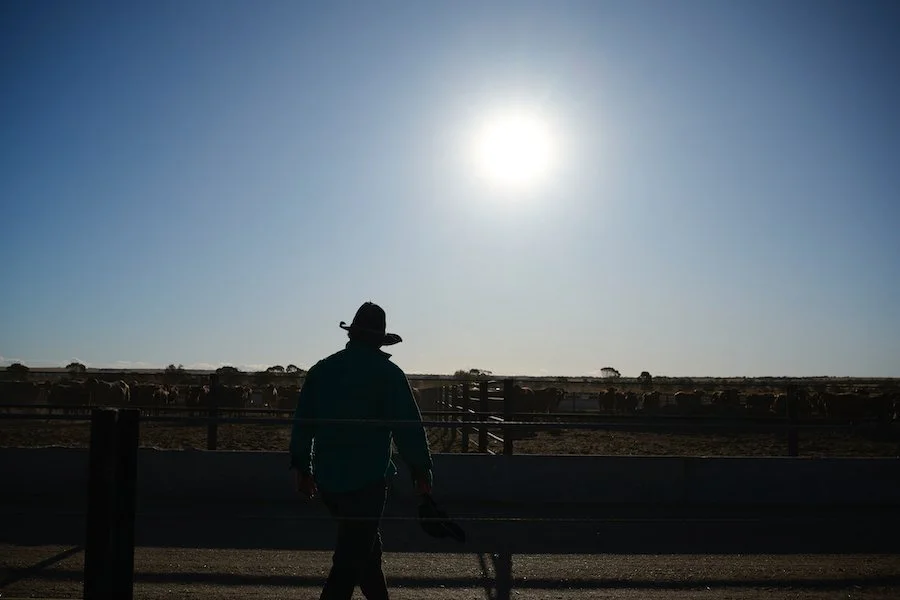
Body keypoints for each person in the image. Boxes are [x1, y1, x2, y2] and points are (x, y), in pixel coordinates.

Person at [289, 301, 434, 600]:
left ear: (351, 335)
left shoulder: (322, 370)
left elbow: (303, 424)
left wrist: (303, 469)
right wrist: (420, 468)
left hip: (329, 479)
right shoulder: (389, 374)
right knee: (348, 563)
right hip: (369, 480)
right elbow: (408, 427)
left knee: (365, 552)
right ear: (380, 339)